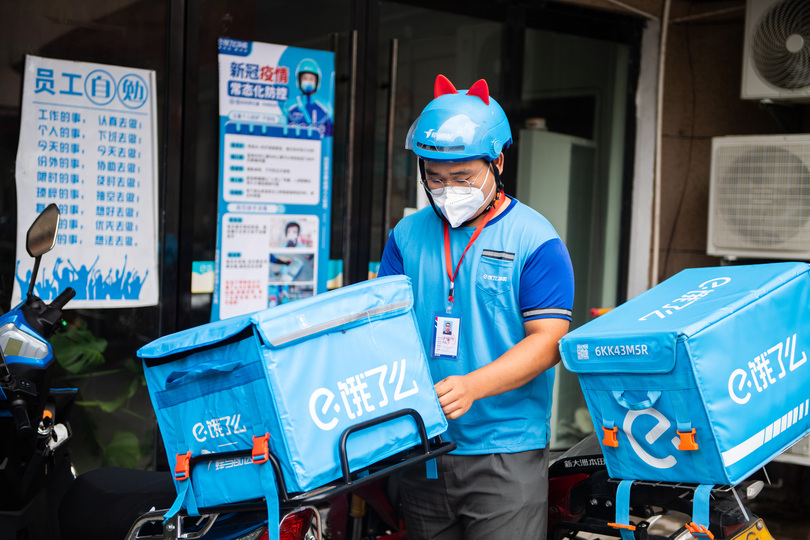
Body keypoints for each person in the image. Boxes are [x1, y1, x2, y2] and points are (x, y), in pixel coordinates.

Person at [378, 74, 575, 540]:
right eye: (435, 177)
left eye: (463, 176)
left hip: (503, 452)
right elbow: (383, 327)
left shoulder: (535, 239)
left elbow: (548, 342)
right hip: (422, 449)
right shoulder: (406, 236)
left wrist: (473, 386)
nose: (448, 189)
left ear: (497, 161)